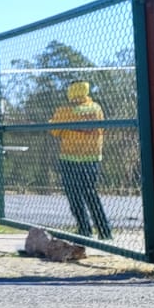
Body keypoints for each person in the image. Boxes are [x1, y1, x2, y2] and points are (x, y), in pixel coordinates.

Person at [49, 80, 111, 238]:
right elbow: (100, 128)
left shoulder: (65, 111)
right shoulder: (96, 108)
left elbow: (55, 130)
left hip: (69, 158)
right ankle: (104, 231)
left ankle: (84, 229)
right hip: (92, 158)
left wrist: (55, 124)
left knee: (74, 195)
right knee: (90, 193)